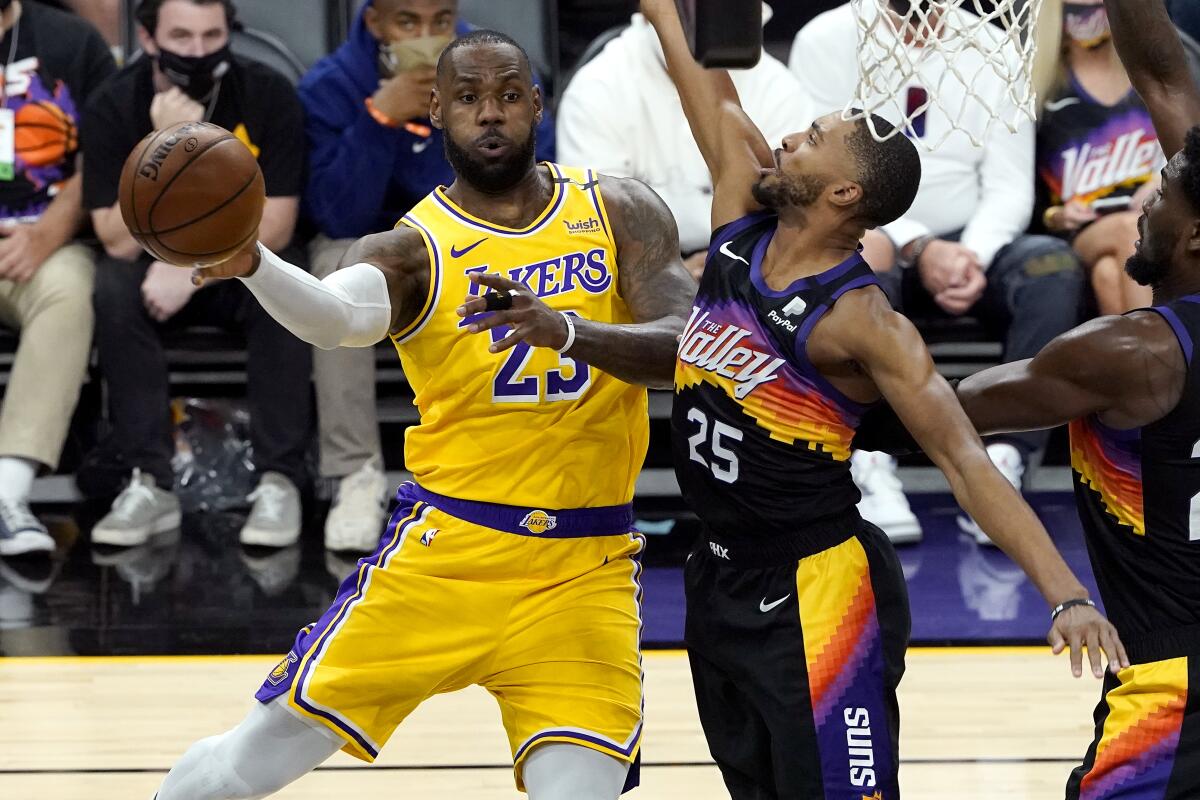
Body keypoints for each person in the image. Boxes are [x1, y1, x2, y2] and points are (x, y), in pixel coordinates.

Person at [151, 28, 697, 800]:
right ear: (435, 112)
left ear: (537, 103)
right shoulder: (413, 249)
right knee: (253, 759)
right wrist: (256, 263)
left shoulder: (620, 211)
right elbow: (337, 318)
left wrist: (566, 329)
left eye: (508, 95)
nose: (491, 115)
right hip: (449, 555)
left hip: (585, 569)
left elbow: (687, 346)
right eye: (469, 99)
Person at [642, 2, 1126, 799]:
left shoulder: (864, 322)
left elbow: (965, 462)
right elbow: (699, 72)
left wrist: (1065, 593)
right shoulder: (737, 221)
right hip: (716, 577)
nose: (788, 135)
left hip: (819, 590)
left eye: (812, 136)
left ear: (840, 192)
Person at [962, 2, 1200, 794]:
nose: (1143, 203)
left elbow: (945, 410)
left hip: (1176, 680)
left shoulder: (1129, 352)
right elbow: (1167, 79)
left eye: (1160, 191)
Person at [791, 0, 1087, 545]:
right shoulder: (827, 39)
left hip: (975, 245)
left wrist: (967, 255)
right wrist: (917, 245)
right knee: (855, 265)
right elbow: (823, 176)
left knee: (1052, 267)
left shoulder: (994, 44)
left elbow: (1009, 185)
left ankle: (1003, 459)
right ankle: (869, 467)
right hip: (872, 232)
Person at [299, 0, 557, 553]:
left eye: (439, 21)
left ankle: (520, 455)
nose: (427, 35)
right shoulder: (330, 85)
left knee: (545, 255)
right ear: (375, 24)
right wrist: (379, 120)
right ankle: (354, 474)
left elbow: (532, 180)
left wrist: (457, 110)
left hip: (474, 240)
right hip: (374, 251)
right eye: (407, 22)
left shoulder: (493, 70)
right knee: (333, 269)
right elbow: (335, 214)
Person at [81, 0, 313, 549]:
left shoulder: (268, 93)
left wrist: (190, 272)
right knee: (112, 286)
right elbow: (114, 236)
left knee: (287, 281)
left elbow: (276, 225)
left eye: (212, 35)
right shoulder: (115, 103)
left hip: (235, 264)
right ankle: (150, 483)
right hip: (146, 268)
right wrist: (165, 147)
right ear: (147, 35)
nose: (199, 50)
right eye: (181, 36)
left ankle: (281, 480)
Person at [556, 4, 813, 280]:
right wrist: (670, 273)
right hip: (636, 272)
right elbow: (595, 222)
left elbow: (791, 212)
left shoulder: (778, 87)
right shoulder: (596, 87)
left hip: (755, 265)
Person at [0, 0, 115, 556]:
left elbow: (105, 153)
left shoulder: (73, 41)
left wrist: (47, 232)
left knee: (71, 294)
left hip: (47, 242)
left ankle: (8, 496)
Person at [1035, 0, 1160, 316]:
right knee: (1130, 229)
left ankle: (1135, 364)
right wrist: (1056, 216)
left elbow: (1189, 148)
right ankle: (1170, 357)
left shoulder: (1151, 80)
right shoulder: (1041, 89)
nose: (1088, 14)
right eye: (1076, 6)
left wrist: (1163, 179)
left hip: (1156, 222)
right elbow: (1021, 193)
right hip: (1080, 231)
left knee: (1108, 274)